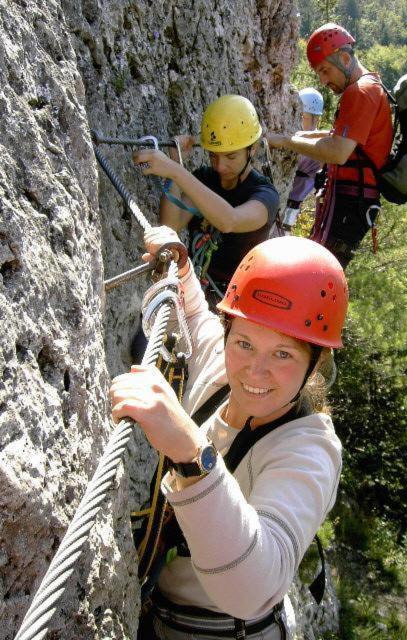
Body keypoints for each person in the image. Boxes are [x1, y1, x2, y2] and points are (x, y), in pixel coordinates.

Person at [110, 226, 348, 640]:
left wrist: (192, 452)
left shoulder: (311, 452)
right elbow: (197, 318)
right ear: (229, 333)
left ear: (316, 361)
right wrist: (180, 268)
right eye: (244, 344)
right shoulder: (222, 372)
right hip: (155, 608)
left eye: (283, 354)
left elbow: (251, 588)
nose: (255, 371)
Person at [133, 95, 280, 308]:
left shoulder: (265, 195)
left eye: (230, 157)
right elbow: (171, 226)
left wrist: (177, 172)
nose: (220, 166)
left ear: (253, 149)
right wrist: (176, 166)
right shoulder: (205, 178)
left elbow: (230, 220)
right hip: (193, 292)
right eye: (213, 156)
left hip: (234, 302)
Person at [267, 23, 393, 267]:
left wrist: (285, 141)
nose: (323, 80)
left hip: (350, 202)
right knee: (319, 266)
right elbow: (336, 135)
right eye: (319, 74)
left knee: (320, 271)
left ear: (345, 58)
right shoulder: (370, 86)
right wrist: (291, 136)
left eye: (325, 71)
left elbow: (337, 151)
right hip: (354, 201)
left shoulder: (360, 92)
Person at [281, 87, 324, 233]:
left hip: (291, 204)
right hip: (285, 200)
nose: (299, 121)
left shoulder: (317, 144)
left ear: (316, 118)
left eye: (303, 117)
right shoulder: (310, 139)